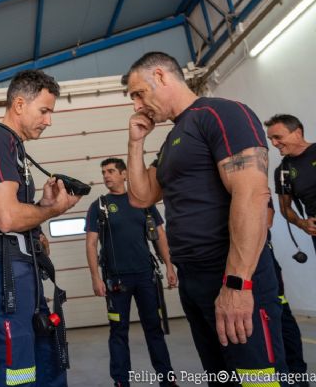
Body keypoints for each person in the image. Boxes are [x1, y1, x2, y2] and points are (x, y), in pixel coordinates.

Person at [125, 51, 288, 385]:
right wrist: (135, 142)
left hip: (229, 274)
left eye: (138, 93)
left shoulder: (221, 113)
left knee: (259, 379)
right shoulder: (173, 139)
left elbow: (253, 195)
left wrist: (238, 283)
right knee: (223, 378)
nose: (137, 105)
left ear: (160, 75)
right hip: (195, 279)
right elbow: (141, 196)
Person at [0, 69, 80, 387]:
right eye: (44, 111)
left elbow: (16, 215)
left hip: (16, 272)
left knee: (43, 361)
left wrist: (43, 208)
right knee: (16, 374)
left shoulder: (13, 148)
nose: (48, 120)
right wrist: (53, 210)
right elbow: (7, 218)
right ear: (19, 104)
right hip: (3, 274)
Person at [84, 158, 177, 387]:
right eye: (104, 172)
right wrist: (96, 278)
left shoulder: (143, 201)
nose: (107, 176)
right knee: (118, 332)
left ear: (124, 175)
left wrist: (169, 266)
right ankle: (121, 381)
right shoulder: (99, 205)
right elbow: (90, 244)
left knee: (154, 329)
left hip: (146, 276)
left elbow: (160, 236)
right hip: (117, 281)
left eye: (112, 171)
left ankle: (167, 378)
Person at [266, 198, 309, 386]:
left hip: (262, 259)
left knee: (282, 316)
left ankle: (297, 374)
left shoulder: (252, 179)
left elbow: (267, 220)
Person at [265, 114, 316, 252]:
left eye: (278, 137)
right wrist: (302, 224)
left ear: (298, 133)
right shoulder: (282, 171)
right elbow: (285, 208)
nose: (274, 143)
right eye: (271, 139)